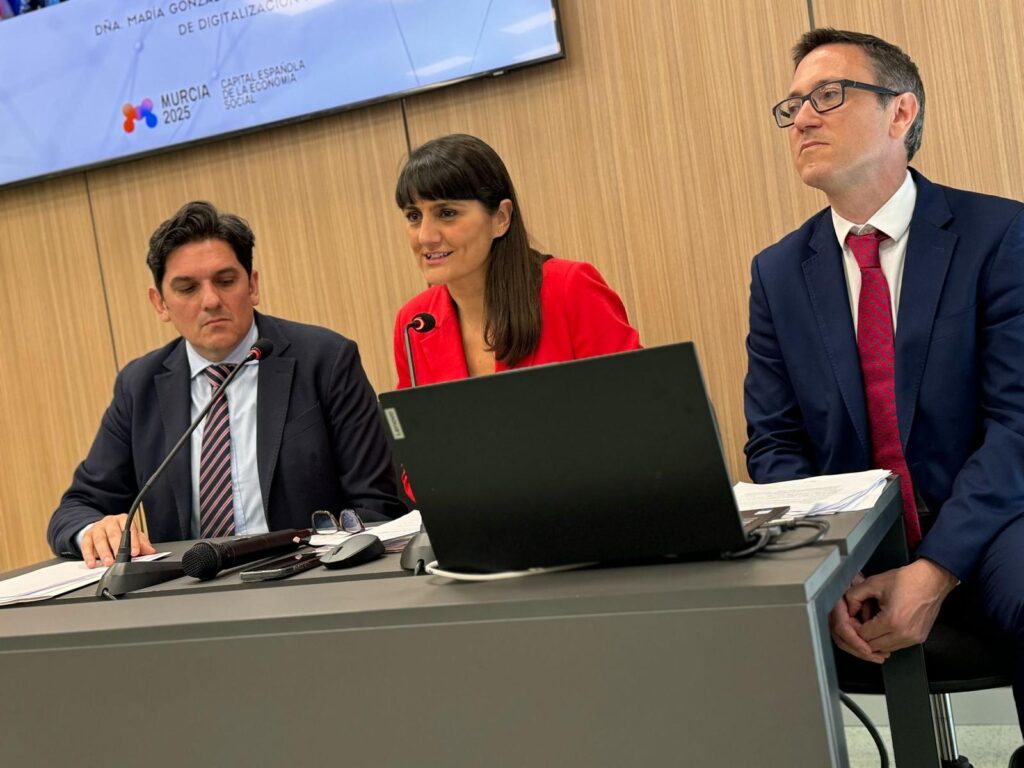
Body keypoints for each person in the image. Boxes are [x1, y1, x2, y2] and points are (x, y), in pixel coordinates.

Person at [745, 27, 1024, 734]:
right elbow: (775, 444)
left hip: (993, 526)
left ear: (901, 112)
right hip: (855, 541)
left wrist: (935, 569)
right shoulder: (778, 273)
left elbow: (1017, 425)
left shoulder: (999, 235)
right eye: (792, 105)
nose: (801, 119)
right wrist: (824, 574)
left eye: (827, 96)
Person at [48, 201, 405, 566]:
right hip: (191, 584)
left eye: (225, 281)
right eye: (187, 288)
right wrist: (93, 531)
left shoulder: (325, 360)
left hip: (310, 576)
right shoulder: (139, 387)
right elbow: (77, 508)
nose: (211, 300)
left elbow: (378, 503)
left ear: (252, 285)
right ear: (160, 304)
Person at [392, 133, 641, 389]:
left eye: (447, 213)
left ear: (501, 218)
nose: (425, 237)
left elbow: (636, 397)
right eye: (414, 216)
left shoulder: (569, 289)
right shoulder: (414, 323)